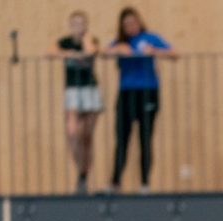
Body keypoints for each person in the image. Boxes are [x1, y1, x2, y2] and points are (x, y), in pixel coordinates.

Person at [104, 7, 176, 193]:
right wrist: (118, 49)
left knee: (145, 138)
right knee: (122, 139)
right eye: (126, 24)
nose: (131, 26)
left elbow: (174, 54)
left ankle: (145, 183)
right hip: (126, 93)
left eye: (133, 22)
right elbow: (103, 52)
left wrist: (154, 51)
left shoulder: (150, 38)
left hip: (147, 91)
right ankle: (115, 182)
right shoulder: (120, 42)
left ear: (139, 22)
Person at [51, 10, 103, 194]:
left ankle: (83, 177)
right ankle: (81, 171)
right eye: (75, 24)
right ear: (70, 25)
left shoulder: (91, 39)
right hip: (73, 91)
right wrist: (72, 53)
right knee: (73, 133)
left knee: (86, 137)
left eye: (82, 24)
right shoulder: (65, 42)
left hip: (90, 90)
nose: (78, 27)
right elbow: (50, 52)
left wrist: (85, 38)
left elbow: (90, 52)